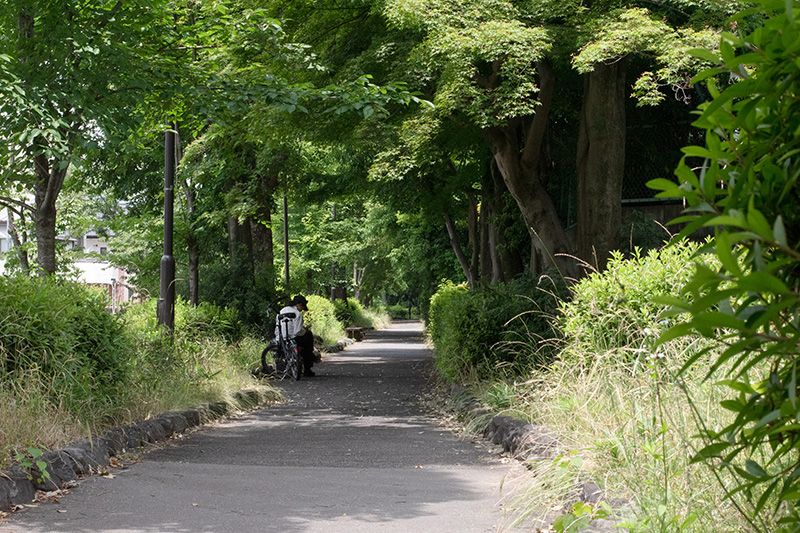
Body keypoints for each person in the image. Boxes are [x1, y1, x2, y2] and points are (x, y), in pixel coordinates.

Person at [275, 294, 315, 377]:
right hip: (293, 337)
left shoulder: (282, 310)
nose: (302, 310)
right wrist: (305, 330)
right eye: (303, 307)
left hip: (282, 336)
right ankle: (307, 368)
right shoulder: (298, 314)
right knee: (308, 338)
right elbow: (297, 331)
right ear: (299, 305)